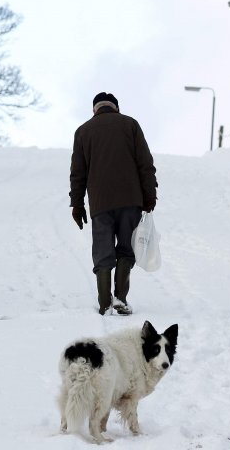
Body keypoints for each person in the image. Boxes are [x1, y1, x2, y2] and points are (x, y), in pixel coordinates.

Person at [69, 92, 157, 316]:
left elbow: (77, 173)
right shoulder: (130, 125)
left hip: (100, 203)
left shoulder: (83, 131)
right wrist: (149, 195)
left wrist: (77, 205)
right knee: (127, 249)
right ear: (116, 108)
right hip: (131, 200)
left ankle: (104, 303)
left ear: (94, 110)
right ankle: (120, 298)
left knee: (103, 252)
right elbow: (145, 163)